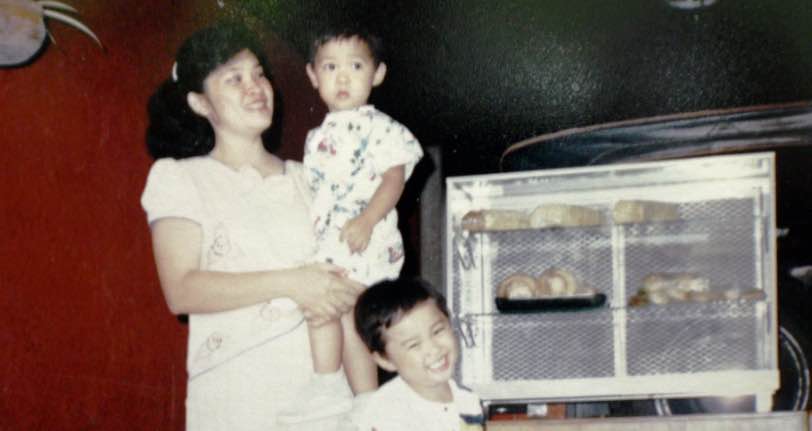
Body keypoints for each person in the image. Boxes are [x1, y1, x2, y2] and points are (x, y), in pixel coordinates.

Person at [140, 22, 365, 430]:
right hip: (237, 396)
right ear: (199, 102)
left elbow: (344, 294)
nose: (255, 86)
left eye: (259, 73)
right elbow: (181, 290)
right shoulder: (180, 178)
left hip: (325, 398)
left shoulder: (312, 179)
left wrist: (370, 404)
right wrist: (294, 282)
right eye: (235, 78)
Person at [277, 28, 424, 423]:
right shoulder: (317, 136)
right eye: (330, 67)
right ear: (312, 76)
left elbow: (393, 179)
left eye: (355, 66)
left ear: (376, 74)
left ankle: (341, 388)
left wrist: (367, 219)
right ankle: (355, 396)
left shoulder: (381, 127)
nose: (342, 78)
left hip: (365, 240)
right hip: (332, 241)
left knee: (333, 308)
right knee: (337, 312)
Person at [353, 278, 486, 431]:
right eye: (414, 344)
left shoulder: (467, 400)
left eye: (437, 331)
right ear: (385, 360)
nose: (434, 349)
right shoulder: (387, 411)